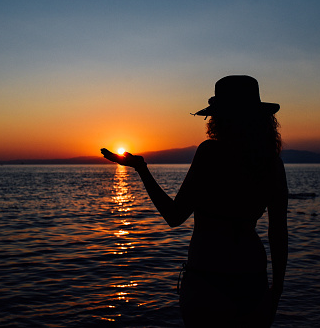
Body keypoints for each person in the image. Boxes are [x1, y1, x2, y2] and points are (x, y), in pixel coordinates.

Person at [101, 75, 288, 327]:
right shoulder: (272, 163)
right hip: (251, 276)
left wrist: (141, 169)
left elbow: (174, 216)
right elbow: (278, 231)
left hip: (208, 277)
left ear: (221, 117)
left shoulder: (211, 153)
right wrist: (276, 288)